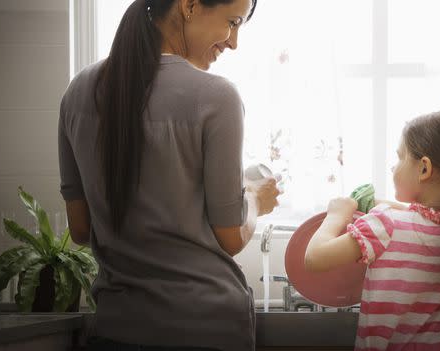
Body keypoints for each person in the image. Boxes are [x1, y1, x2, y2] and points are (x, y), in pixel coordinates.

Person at [58, 0, 279, 350]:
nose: (234, 41)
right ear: (189, 5)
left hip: (117, 329)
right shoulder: (216, 97)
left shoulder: (77, 92)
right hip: (206, 328)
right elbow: (232, 238)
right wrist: (255, 199)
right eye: (232, 22)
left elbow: (80, 230)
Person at [304, 110, 440, 350]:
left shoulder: (385, 224)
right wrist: (378, 204)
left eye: (399, 158)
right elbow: (419, 215)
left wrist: (336, 215)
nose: (393, 167)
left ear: (424, 169)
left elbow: (314, 258)